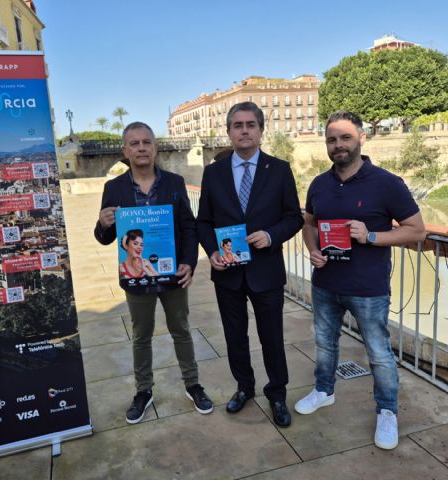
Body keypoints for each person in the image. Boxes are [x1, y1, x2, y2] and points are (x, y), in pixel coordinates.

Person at [294, 111, 426, 449]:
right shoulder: (320, 184)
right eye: (332, 140)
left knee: (379, 354)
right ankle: (324, 391)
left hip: (368, 289)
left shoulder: (387, 183)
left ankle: (387, 411)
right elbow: (309, 223)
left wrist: (371, 237)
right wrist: (312, 250)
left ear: (361, 139)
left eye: (345, 138)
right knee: (324, 345)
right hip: (325, 283)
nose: (338, 145)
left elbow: (416, 231)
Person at [95, 121, 213, 424]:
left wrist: (190, 261)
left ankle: (193, 384)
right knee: (141, 336)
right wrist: (104, 223)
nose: (141, 148)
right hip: (136, 278)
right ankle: (143, 390)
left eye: (146, 142)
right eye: (134, 143)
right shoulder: (114, 188)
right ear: (125, 150)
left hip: (171, 273)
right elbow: (105, 238)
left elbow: (188, 225)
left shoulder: (174, 182)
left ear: (155, 147)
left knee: (181, 330)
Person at [197, 102, 304, 427]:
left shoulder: (280, 169)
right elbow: (204, 221)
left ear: (260, 130)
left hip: (266, 271)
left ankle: (277, 394)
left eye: (250, 125)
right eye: (237, 125)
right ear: (228, 132)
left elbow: (294, 218)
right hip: (227, 273)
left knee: (271, 337)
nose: (244, 130)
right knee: (235, 337)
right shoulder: (213, 172)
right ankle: (244, 387)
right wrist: (213, 250)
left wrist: (271, 236)